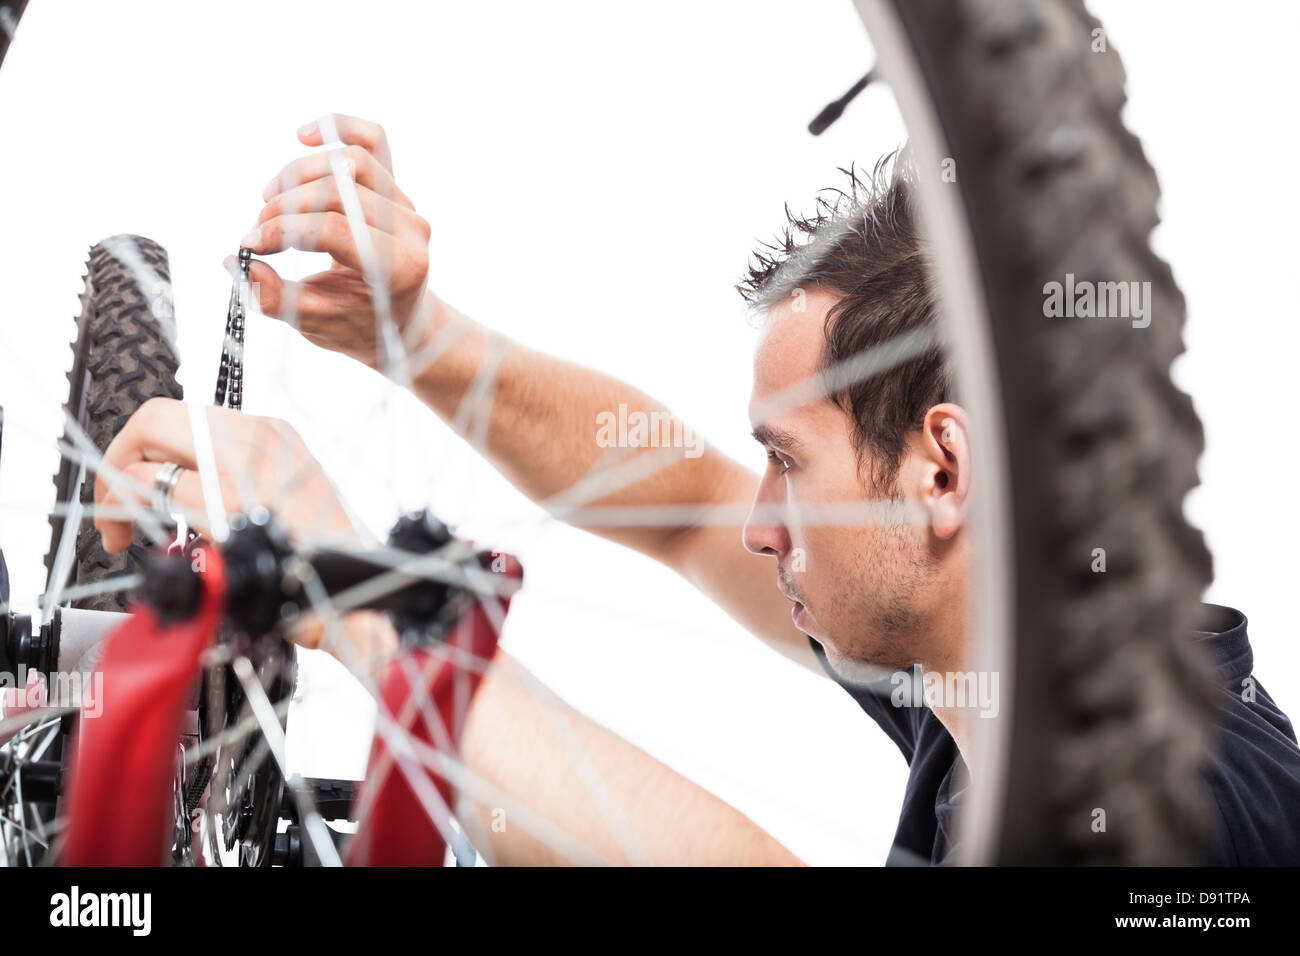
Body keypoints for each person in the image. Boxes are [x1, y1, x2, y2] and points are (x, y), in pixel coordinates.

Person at [94, 115, 1300, 865]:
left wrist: (348, 587)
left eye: (789, 458)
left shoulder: (1173, 809)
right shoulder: (994, 662)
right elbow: (676, 501)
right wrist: (414, 335)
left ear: (943, 469)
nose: (760, 518)